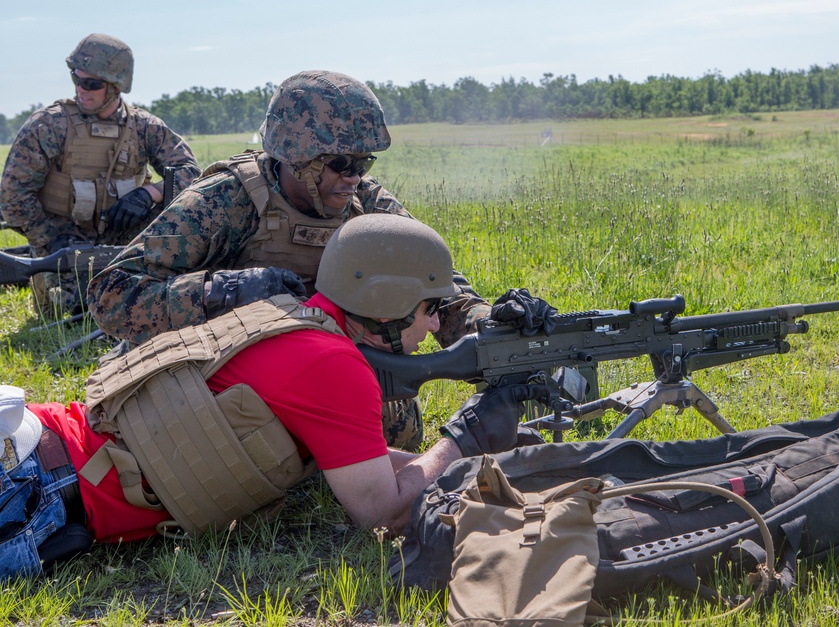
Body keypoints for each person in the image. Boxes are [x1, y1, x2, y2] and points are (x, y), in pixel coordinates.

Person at [1, 214, 547, 580]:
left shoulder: (297, 324)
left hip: (42, 453)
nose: (431, 328)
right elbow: (380, 510)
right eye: (430, 310)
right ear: (388, 303)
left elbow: (364, 468)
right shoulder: (335, 367)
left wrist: (469, 463)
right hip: (36, 487)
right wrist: (462, 436)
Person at [86, 69, 492, 449]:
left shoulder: (363, 200)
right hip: (224, 370)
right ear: (297, 158)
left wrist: (488, 327)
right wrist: (224, 292)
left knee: (397, 425)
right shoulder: (227, 199)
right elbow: (111, 295)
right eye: (340, 163)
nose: (354, 176)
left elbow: (433, 278)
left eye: (363, 162)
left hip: (315, 364)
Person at [0, 33, 200, 314]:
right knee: (77, 307)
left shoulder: (144, 127)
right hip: (62, 243)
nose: (81, 89)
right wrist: (51, 237)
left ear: (116, 86)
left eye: (91, 84)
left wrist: (147, 193)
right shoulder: (49, 126)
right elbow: (13, 196)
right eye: (76, 78)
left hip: (122, 240)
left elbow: (192, 173)